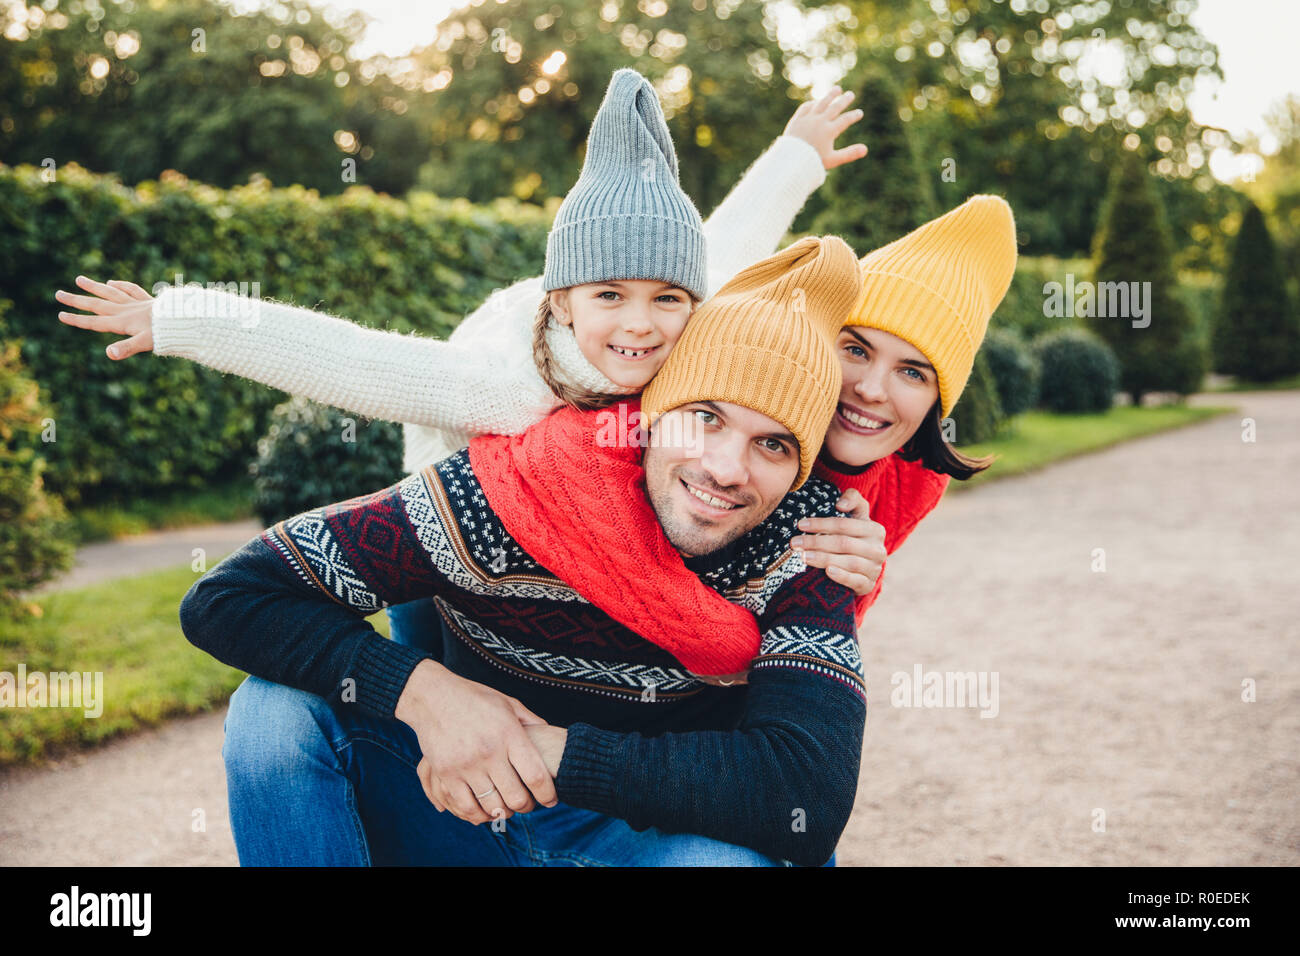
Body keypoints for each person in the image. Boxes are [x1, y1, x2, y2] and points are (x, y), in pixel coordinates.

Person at [52, 68, 882, 666]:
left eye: (668, 298)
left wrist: (796, 155)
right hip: (448, 510)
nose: (641, 325)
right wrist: (178, 317)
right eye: (609, 297)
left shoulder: (694, 326)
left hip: (569, 494)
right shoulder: (506, 383)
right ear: (563, 302)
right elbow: (354, 361)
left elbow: (731, 242)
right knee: (440, 658)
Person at [180, 234, 867, 867]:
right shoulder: (513, 492)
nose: (725, 467)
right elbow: (229, 597)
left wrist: (544, 754)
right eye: (705, 418)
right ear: (653, 412)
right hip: (454, 814)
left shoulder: (811, 540)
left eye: (773, 444)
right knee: (273, 715)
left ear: (801, 469)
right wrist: (427, 696)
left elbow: (804, 796)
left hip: (639, 842)